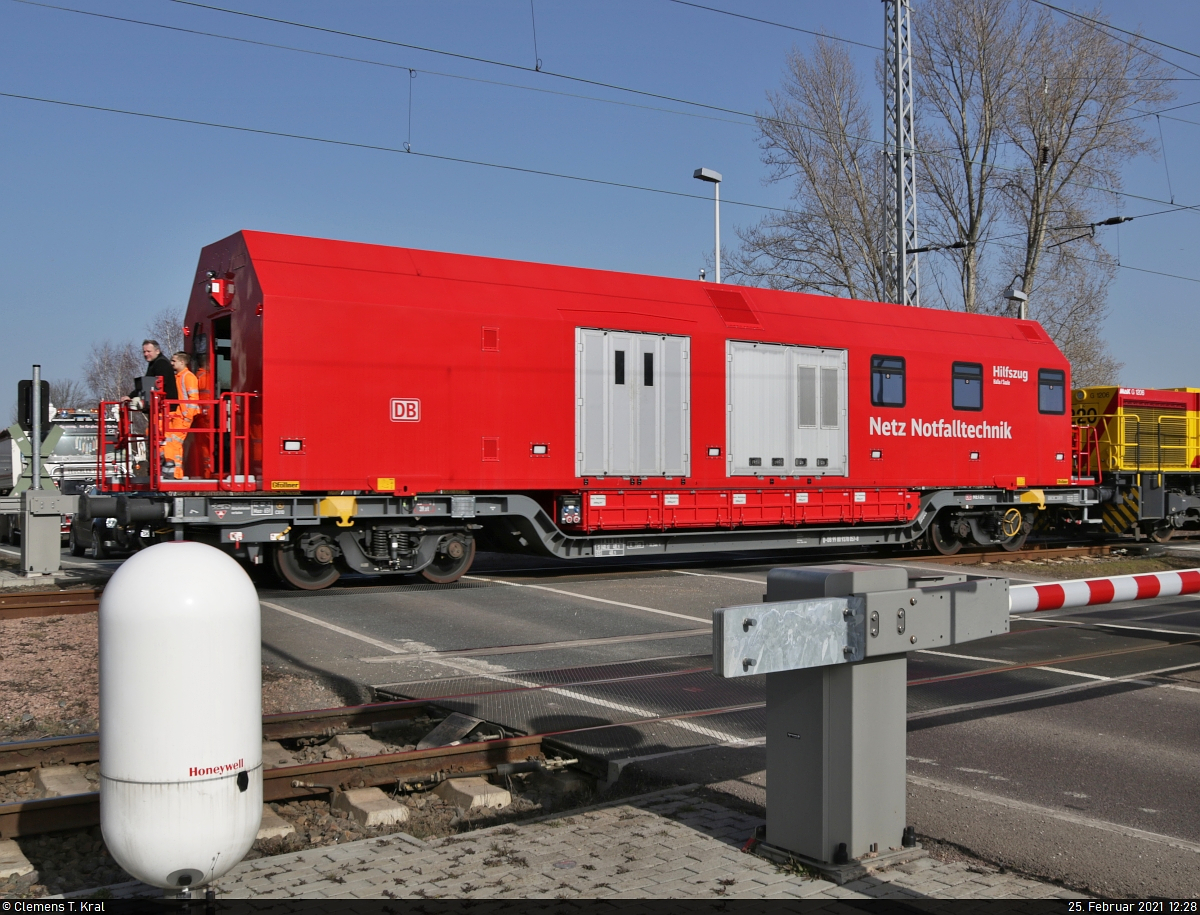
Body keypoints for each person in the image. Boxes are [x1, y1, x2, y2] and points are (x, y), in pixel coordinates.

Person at [161, 352, 199, 480]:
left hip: (183, 416)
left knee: (174, 443)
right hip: (177, 415)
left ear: (182, 362)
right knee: (170, 442)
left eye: (174, 361)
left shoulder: (188, 377)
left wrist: (188, 416)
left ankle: (176, 473)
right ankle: (172, 471)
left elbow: (194, 398)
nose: (171, 363)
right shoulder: (178, 377)